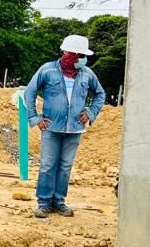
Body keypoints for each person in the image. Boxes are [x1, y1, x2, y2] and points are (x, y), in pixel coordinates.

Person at [23, 34, 106, 218]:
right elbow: (29, 93)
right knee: (47, 165)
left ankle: (59, 202)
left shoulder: (87, 74)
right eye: (78, 55)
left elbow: (100, 94)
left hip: (75, 128)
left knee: (65, 166)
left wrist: (91, 112)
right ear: (67, 53)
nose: (81, 60)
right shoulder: (47, 70)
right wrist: (35, 118)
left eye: (83, 56)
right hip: (51, 128)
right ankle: (44, 203)